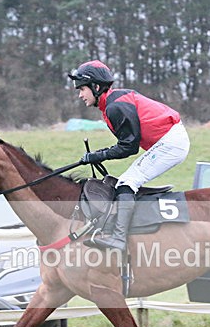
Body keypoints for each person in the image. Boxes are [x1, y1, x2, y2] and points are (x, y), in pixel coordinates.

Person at [68, 60, 190, 251]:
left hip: (170, 143)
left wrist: (97, 156)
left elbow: (128, 148)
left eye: (82, 89)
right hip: (169, 140)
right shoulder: (112, 103)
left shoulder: (115, 107)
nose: (80, 95)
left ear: (96, 87)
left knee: (127, 183)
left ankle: (119, 238)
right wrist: (98, 155)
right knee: (126, 181)